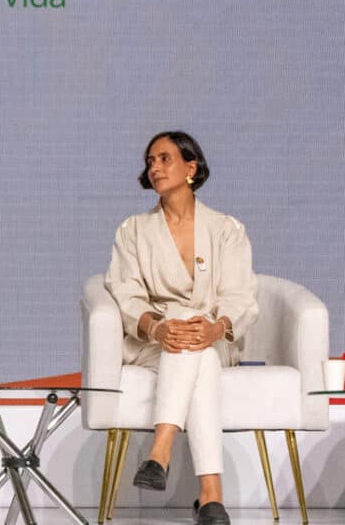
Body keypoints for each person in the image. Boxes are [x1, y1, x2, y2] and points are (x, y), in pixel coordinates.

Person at [104, 131, 258, 525]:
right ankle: (210, 498)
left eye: (164, 158)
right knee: (192, 350)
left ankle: (160, 452)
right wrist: (156, 328)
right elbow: (125, 292)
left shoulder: (226, 229)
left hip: (214, 337)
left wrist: (216, 327)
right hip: (153, 339)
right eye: (149, 161)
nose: (154, 167)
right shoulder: (133, 231)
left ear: (191, 168)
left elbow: (240, 295)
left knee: (198, 345)